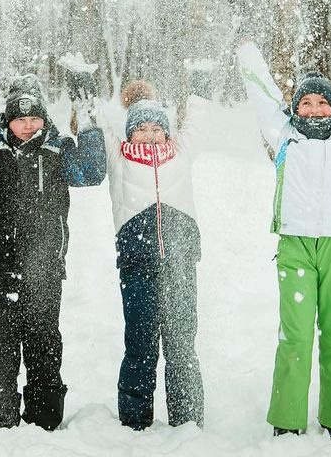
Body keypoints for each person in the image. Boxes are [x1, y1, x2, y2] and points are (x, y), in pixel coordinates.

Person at [236, 0, 331, 445]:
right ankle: (287, 416)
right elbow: (260, 89)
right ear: (294, 109)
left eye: (322, 102)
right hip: (295, 245)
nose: (314, 108)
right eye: (306, 103)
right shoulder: (282, 136)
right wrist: (244, 42)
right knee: (294, 337)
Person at [0, 75, 106, 431]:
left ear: (44, 119)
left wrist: (90, 120)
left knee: (44, 341)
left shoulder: (57, 150)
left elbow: (92, 172)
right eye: (21, 119)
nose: (27, 125)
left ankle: (45, 416)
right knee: (0, 344)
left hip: (45, 268)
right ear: (8, 120)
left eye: (34, 118)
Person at [95, 78, 203, 430]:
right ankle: (135, 422)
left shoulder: (180, 152)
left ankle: (187, 421)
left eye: (158, 128)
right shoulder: (119, 158)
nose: (151, 135)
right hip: (137, 264)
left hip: (180, 263)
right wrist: (81, 83)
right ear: (129, 132)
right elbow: (94, 122)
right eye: (141, 128)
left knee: (181, 344)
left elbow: (197, 119)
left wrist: (196, 82)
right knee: (140, 343)